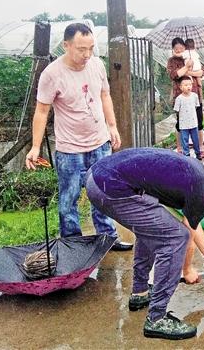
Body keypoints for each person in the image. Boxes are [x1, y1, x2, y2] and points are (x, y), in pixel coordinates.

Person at [85, 148, 204, 339]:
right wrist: (187, 270)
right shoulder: (201, 192)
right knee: (175, 237)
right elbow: (187, 235)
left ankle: (140, 292)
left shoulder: (197, 170)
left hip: (98, 176)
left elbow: (192, 225)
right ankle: (157, 319)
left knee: (155, 228)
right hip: (110, 187)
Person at [25, 22, 132, 251]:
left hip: (100, 143)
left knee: (103, 194)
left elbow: (105, 96)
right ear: (66, 45)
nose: (87, 54)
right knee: (69, 199)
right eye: (81, 49)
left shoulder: (97, 65)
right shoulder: (52, 74)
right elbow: (42, 111)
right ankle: (73, 246)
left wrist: (112, 126)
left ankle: (107, 238)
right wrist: (35, 146)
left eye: (91, 48)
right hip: (69, 149)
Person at [166, 37, 204, 158]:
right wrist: (186, 67)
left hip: (195, 96)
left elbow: (203, 71)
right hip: (181, 98)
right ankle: (180, 148)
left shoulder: (192, 55)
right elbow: (174, 75)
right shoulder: (172, 61)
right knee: (181, 124)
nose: (179, 50)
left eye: (181, 48)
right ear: (173, 49)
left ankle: (200, 148)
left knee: (198, 122)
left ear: (185, 47)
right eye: (176, 48)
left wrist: (189, 72)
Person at [173, 76, 201, 159]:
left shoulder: (195, 96)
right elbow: (176, 110)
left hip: (193, 123)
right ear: (181, 87)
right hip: (183, 124)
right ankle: (186, 154)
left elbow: (196, 106)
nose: (188, 86)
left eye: (190, 84)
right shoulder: (179, 99)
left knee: (195, 139)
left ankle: (198, 153)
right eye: (185, 85)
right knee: (184, 140)